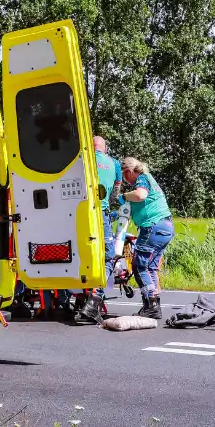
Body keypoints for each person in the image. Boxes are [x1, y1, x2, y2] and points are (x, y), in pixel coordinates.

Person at [119, 157, 174, 319]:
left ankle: (151, 305)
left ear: (129, 172)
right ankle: (154, 306)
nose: (125, 180)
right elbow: (133, 207)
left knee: (139, 266)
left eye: (124, 176)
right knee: (150, 268)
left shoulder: (141, 178)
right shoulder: (148, 179)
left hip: (153, 226)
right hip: (165, 227)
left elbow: (140, 195)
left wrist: (124, 195)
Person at [78, 136, 123, 323]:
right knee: (109, 255)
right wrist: (110, 204)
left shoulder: (81, 157)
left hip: (78, 213)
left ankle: (70, 298)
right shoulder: (114, 163)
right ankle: (95, 299)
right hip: (100, 213)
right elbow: (117, 189)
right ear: (104, 148)